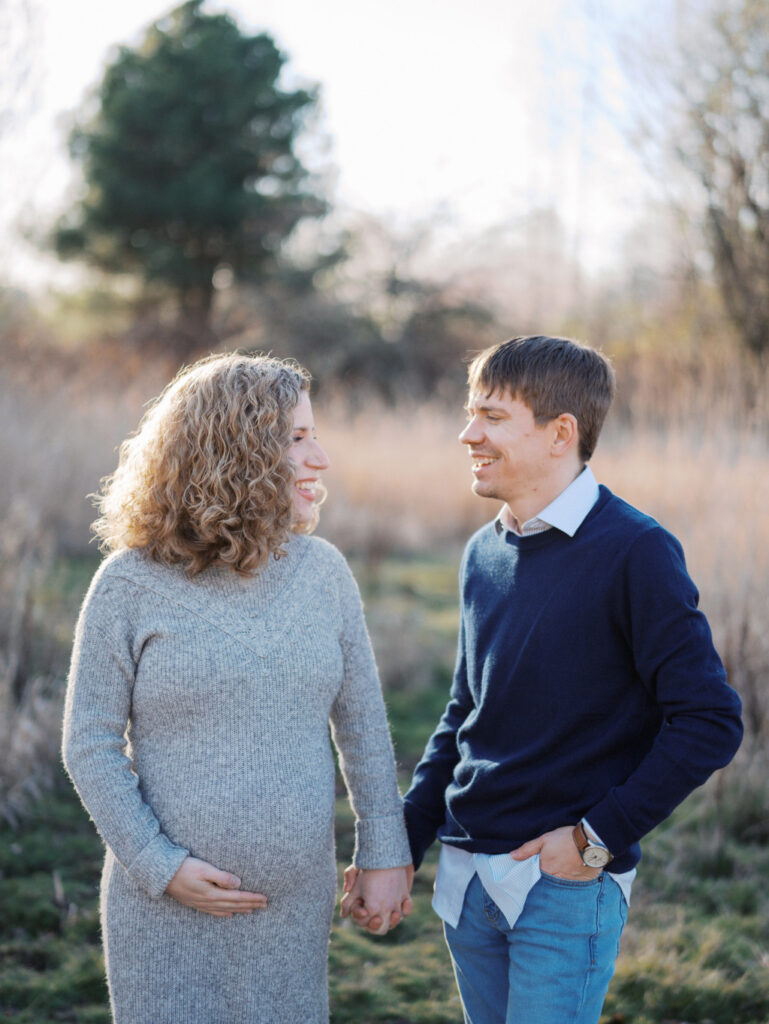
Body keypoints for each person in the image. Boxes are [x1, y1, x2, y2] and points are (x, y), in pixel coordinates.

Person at [343, 335, 743, 1024]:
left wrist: (595, 837)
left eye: (492, 417)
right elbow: (465, 713)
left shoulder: (634, 551)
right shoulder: (481, 552)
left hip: (564, 885)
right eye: (471, 414)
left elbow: (708, 719)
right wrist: (401, 844)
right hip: (467, 880)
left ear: (560, 433)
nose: (468, 434)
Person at [62, 352, 412, 1024]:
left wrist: (384, 851)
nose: (321, 459)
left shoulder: (324, 575)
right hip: (160, 911)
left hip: (293, 911)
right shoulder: (129, 585)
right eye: (299, 437)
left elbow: (363, 726)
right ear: (238, 450)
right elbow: (90, 744)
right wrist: (159, 865)